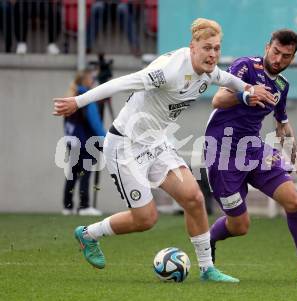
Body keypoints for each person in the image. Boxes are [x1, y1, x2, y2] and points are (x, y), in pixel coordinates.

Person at [53, 18, 274, 283]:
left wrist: (248, 91)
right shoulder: (168, 70)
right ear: (192, 47)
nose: (212, 54)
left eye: (216, 48)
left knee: (194, 197)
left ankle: (207, 269)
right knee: (146, 219)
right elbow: (122, 83)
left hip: (157, 143)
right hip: (125, 145)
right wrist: (78, 101)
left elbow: (225, 78)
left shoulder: (209, 71)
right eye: (207, 48)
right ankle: (88, 234)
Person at [205, 29, 297, 281]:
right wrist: (247, 94)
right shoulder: (245, 66)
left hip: (254, 150)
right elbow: (218, 100)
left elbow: (282, 126)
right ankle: (208, 239)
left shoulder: (282, 86)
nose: (278, 60)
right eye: (275, 52)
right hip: (223, 154)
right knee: (240, 226)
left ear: (292, 58)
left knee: (294, 202)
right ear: (267, 47)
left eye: (286, 56)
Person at [62, 69, 105, 216]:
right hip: (85, 142)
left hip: (71, 141)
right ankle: (84, 206)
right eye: (92, 78)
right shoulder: (86, 97)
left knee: (73, 174)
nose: (94, 81)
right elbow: (95, 123)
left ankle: (67, 206)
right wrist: (106, 140)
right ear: (86, 80)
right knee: (85, 173)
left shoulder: (70, 96)